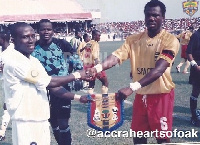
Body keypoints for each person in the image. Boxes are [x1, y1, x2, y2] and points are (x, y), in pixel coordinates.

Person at [86, 0, 179, 144]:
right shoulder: (133, 40)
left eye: (156, 15)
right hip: (141, 96)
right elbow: (116, 56)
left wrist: (132, 87)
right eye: (148, 15)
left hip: (161, 96)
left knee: (162, 139)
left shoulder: (170, 40)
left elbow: (159, 69)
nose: (151, 18)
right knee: (138, 136)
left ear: (163, 17)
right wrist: (96, 68)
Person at [2, 22, 90, 145]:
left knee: (62, 124)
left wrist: (78, 97)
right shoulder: (15, 62)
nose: (31, 40)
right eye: (25, 37)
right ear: (14, 39)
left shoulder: (33, 61)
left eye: (32, 36)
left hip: (40, 117)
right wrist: (77, 75)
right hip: (27, 120)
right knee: (56, 123)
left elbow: (50, 86)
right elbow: (48, 82)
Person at [31, 19, 79, 145]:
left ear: (53, 31)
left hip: (62, 88)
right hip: (42, 91)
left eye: (49, 29)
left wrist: (79, 74)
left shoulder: (62, 44)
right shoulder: (33, 47)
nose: (46, 32)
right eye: (43, 29)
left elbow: (75, 60)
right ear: (38, 31)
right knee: (52, 121)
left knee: (63, 122)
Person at [83, 30, 109, 94]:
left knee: (91, 84)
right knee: (105, 82)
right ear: (94, 36)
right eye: (99, 35)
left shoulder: (88, 43)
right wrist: (98, 69)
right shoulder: (95, 44)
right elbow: (95, 56)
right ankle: (104, 100)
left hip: (88, 66)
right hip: (94, 66)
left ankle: (90, 101)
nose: (99, 37)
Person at [186, 27, 200, 127]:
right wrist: (195, 65)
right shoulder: (196, 35)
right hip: (197, 68)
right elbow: (189, 53)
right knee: (195, 91)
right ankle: (194, 116)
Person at [0, 30, 11, 141]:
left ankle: (2, 131)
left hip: (14, 84)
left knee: (8, 107)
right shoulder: (2, 52)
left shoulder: (12, 51)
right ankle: (2, 131)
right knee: (6, 107)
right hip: (6, 83)